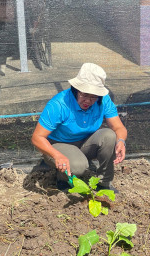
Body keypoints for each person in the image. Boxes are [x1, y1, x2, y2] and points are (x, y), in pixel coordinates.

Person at [31, 63, 127, 193]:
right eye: (84, 95)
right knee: (78, 166)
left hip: (84, 142)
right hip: (59, 144)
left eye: (94, 96)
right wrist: (56, 155)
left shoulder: (104, 100)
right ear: (76, 89)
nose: (88, 100)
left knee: (110, 136)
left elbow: (118, 127)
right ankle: (62, 179)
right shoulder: (59, 104)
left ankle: (104, 184)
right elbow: (37, 138)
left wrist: (121, 141)